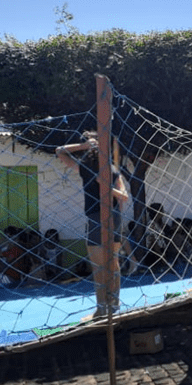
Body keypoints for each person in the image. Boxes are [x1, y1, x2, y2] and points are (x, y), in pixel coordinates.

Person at [56, 130, 129, 316]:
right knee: (108, 263)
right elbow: (59, 151)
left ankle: (107, 305)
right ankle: (107, 305)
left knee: (106, 264)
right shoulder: (86, 168)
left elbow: (124, 196)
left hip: (104, 216)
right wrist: (85, 145)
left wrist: (106, 187)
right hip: (103, 216)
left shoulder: (109, 169)